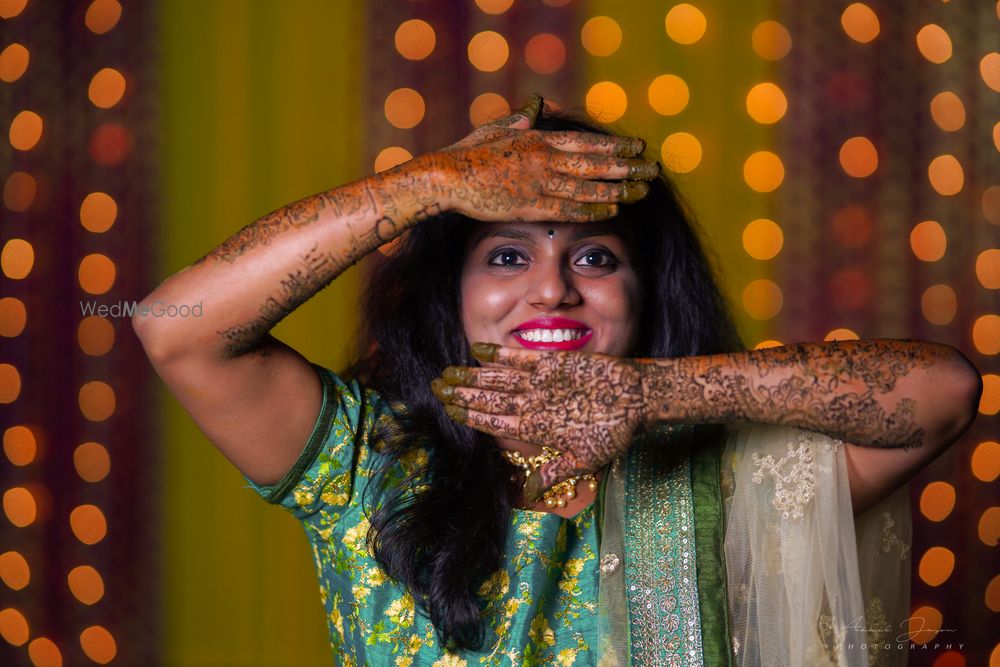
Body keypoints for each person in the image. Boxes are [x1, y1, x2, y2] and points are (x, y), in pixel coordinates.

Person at [133, 95, 982, 666]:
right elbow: (178, 327)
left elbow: (942, 391)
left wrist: (653, 395)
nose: (552, 288)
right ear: (454, 296)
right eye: (507, 254)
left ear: (644, 294)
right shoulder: (368, 463)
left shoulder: (722, 477)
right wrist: (430, 183)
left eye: (593, 256)